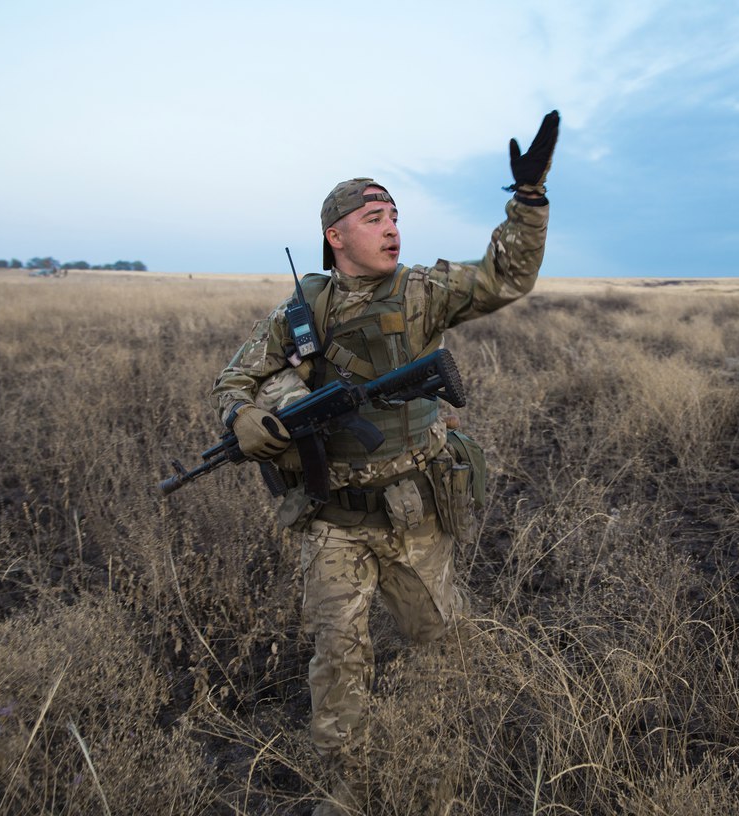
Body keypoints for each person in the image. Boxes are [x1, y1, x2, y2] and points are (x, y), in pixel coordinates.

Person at [209, 110, 559, 815]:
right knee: (339, 661)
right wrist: (246, 419)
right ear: (336, 236)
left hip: (413, 513)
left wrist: (527, 201)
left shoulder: (423, 293)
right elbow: (234, 381)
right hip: (332, 521)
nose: (392, 226)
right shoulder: (298, 316)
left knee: (443, 645)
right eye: (374, 217)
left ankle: (444, 775)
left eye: (395, 214)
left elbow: (505, 278)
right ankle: (347, 792)